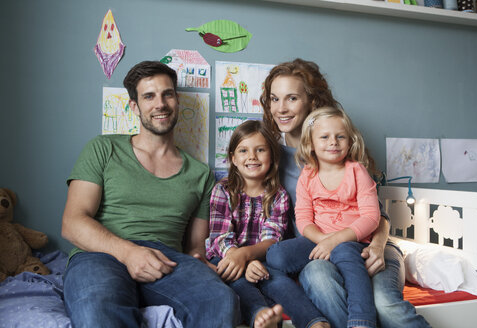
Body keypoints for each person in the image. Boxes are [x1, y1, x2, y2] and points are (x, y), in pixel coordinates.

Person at [61, 60, 239, 328]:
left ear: (177, 101)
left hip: (166, 259)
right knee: (98, 308)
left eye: (167, 94)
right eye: (149, 96)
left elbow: (194, 247)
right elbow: (72, 223)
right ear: (134, 106)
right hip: (101, 253)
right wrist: (130, 253)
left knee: (220, 299)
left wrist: (200, 265)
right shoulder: (103, 148)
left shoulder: (201, 174)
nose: (160, 104)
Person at [261, 58, 431, 328]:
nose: (281, 108)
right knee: (320, 281)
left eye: (291, 98)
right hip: (319, 250)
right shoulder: (267, 158)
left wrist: (375, 247)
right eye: (274, 99)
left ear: (312, 102)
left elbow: (377, 216)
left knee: (384, 305)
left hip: (368, 243)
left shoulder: (340, 153)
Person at [205, 120, 330, 328]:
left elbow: (272, 239)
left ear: (271, 157)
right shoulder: (223, 190)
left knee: (279, 281)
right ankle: (260, 315)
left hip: (263, 259)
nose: (252, 157)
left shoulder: (279, 195)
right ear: (233, 158)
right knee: (238, 281)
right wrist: (241, 259)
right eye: (243, 150)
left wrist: (249, 257)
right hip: (226, 256)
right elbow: (220, 236)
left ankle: (314, 321)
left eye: (260, 150)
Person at [267, 107, 381, 328]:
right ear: (310, 143)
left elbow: (371, 217)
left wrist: (336, 240)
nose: (333, 142)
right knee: (275, 256)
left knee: (348, 259)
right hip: (318, 239)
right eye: (325, 137)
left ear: (350, 142)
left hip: (352, 240)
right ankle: (309, 316)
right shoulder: (307, 175)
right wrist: (323, 240)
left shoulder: (357, 171)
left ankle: (362, 321)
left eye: (340, 137)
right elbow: (303, 219)